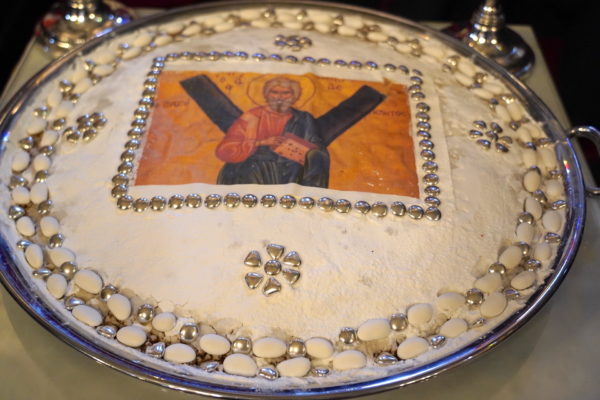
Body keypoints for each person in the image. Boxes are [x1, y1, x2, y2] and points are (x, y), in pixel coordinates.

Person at [215, 77, 330, 187]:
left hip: (291, 169)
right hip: (255, 167)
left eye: (286, 93)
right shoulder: (252, 116)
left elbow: (317, 147)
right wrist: (261, 142)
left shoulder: (303, 119)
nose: (279, 97)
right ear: (266, 95)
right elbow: (225, 149)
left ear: (295, 96)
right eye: (274, 92)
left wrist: (303, 150)